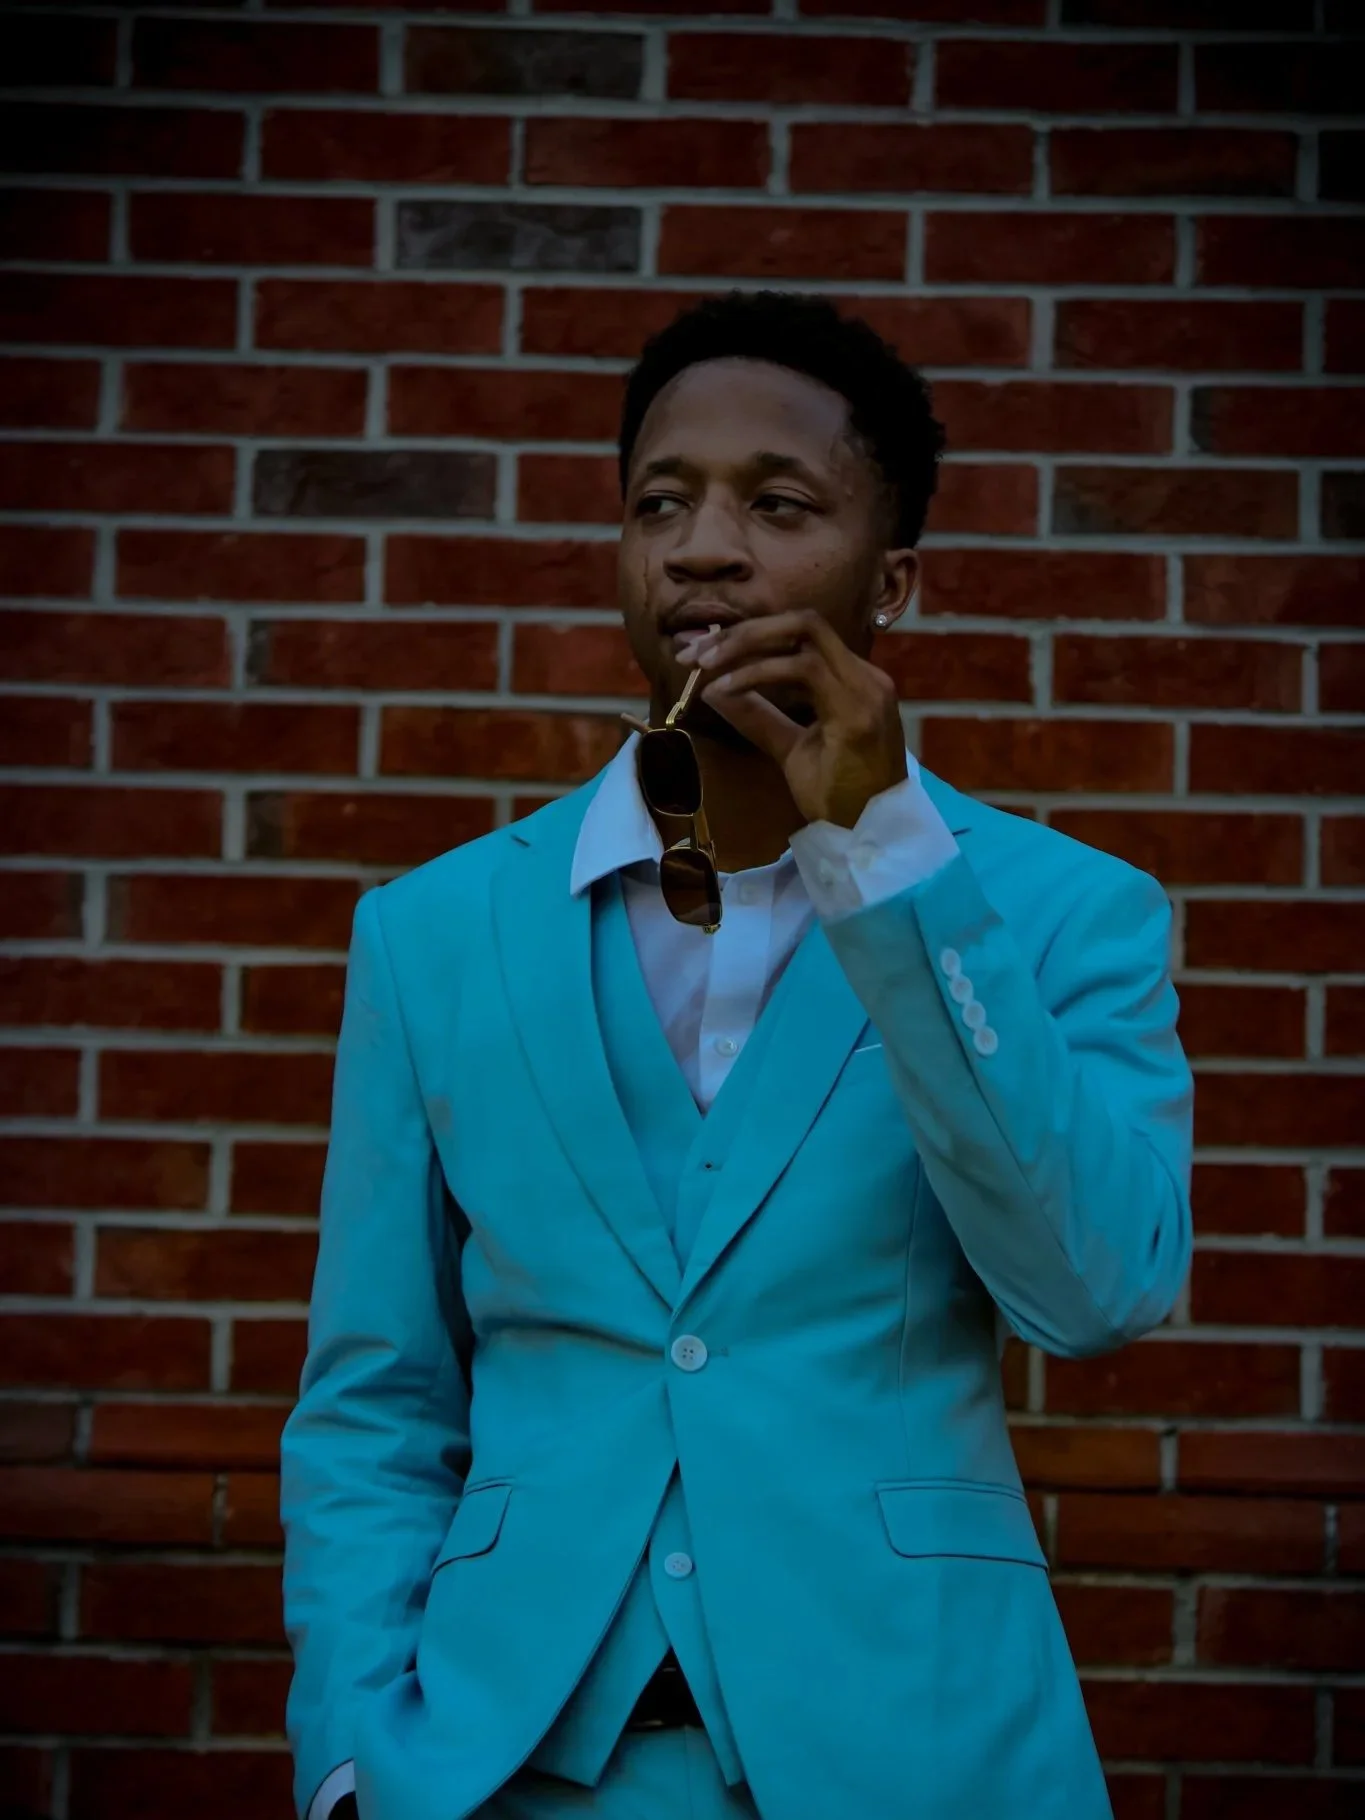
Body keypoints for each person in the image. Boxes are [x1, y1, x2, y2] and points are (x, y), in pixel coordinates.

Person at [280, 290, 1193, 1820]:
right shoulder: (432, 932)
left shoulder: (1060, 914)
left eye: (778, 505)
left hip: (913, 1750)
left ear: (889, 579)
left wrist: (890, 865)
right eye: (662, 502)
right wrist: (357, 1757)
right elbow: (376, 1394)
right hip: (501, 1765)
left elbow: (1096, 1289)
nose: (705, 546)